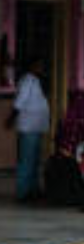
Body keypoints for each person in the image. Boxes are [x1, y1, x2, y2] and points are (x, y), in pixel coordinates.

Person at [44, 92, 84, 207]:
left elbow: (58, 138)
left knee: (59, 166)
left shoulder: (68, 118)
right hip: (81, 155)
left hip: (73, 154)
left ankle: (61, 198)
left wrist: (66, 151)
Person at [12, 60, 50, 202]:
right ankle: (23, 192)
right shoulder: (27, 80)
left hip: (36, 127)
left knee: (34, 161)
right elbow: (20, 102)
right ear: (32, 66)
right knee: (27, 161)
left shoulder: (36, 80)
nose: (42, 68)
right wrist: (11, 118)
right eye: (39, 65)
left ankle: (33, 189)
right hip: (28, 127)